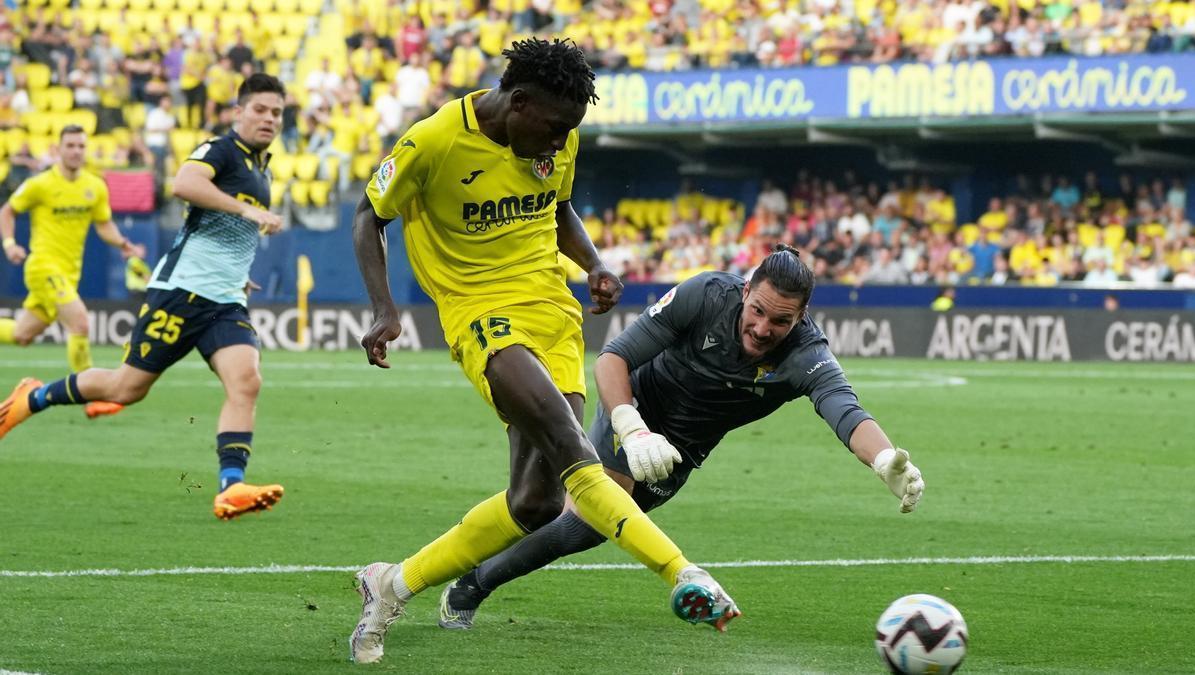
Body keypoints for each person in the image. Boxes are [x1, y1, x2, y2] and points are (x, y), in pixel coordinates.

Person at [349, 38, 737, 665]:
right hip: (482, 313)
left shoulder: (556, 136)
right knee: (572, 447)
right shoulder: (435, 140)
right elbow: (369, 215)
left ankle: (389, 583)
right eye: (555, 129)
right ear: (519, 102)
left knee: (537, 501)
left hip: (554, 313)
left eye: (570, 132)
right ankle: (682, 572)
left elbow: (557, 207)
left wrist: (594, 264)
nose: (560, 143)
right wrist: (384, 309)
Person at [436, 248, 927, 629]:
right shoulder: (705, 294)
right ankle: (468, 588)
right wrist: (630, 423)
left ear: (802, 317)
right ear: (745, 290)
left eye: (781, 321)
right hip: (633, 406)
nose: (762, 328)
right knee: (588, 515)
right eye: (757, 310)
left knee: (580, 529)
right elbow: (613, 358)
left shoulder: (805, 354)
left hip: (683, 452)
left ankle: (477, 573)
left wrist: (884, 459)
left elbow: (844, 408)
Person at [0, 74, 288, 522]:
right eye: (260, 109)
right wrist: (246, 208)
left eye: (277, 112)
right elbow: (185, 183)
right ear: (239, 111)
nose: (269, 118)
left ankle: (230, 487)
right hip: (181, 292)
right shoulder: (221, 149)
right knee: (125, 387)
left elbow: (228, 235)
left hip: (226, 298)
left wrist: (238, 274)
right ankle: (32, 398)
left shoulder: (261, 166)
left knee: (246, 380)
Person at [0, 125, 146, 419]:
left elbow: (103, 223)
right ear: (58, 149)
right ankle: (93, 393)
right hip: (43, 267)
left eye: (81, 145)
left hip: (68, 274)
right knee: (79, 323)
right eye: (71, 145)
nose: (77, 151)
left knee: (23, 334)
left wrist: (121, 242)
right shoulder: (40, 184)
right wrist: (10, 243)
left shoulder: (94, 186)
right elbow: (7, 211)